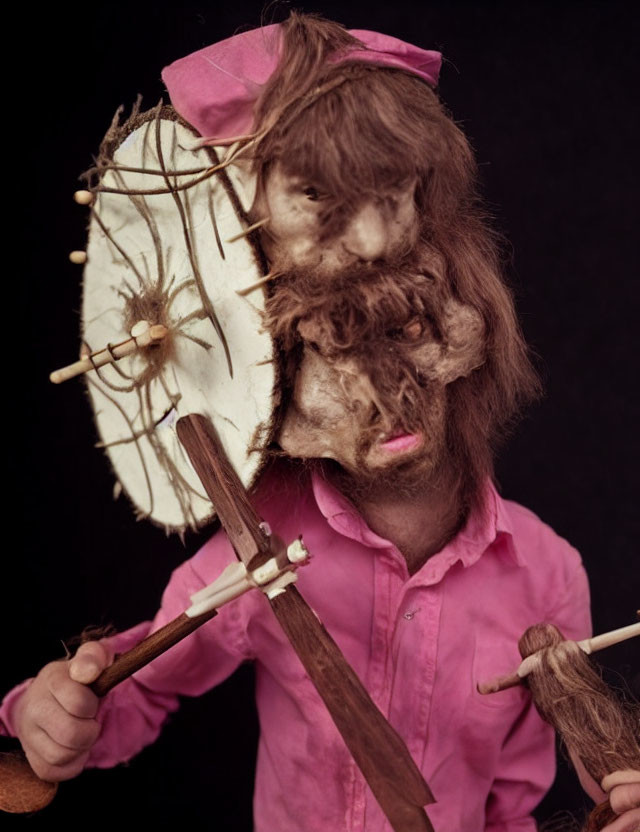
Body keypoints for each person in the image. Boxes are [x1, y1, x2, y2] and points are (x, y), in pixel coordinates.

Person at [1, 13, 638, 832]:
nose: (387, 397)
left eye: (409, 345)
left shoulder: (550, 576)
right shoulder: (253, 554)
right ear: (283, 399)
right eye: (345, 366)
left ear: (467, 345)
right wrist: (54, 712)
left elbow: (549, 789)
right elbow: (133, 689)